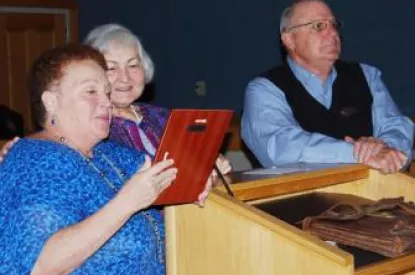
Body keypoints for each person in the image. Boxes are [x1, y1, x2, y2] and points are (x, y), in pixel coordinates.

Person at [0, 44, 178, 274]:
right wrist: (127, 203)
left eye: (106, 92)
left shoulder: (108, 153)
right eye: (91, 92)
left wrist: (205, 173)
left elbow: (171, 177)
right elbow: (39, 264)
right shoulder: (34, 162)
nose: (106, 101)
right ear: (51, 102)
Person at [241, 0, 414, 174]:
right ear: (289, 39)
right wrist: (357, 154)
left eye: (334, 24)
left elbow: (396, 126)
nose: (332, 32)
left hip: (375, 195)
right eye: (318, 26)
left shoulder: (367, 76)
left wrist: (387, 148)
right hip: (298, 198)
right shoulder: (264, 89)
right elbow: (279, 147)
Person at [84, 23, 231, 187]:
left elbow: (193, 169)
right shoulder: (92, 128)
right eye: (111, 68)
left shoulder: (163, 116)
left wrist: (210, 167)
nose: (124, 78)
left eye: (133, 65)